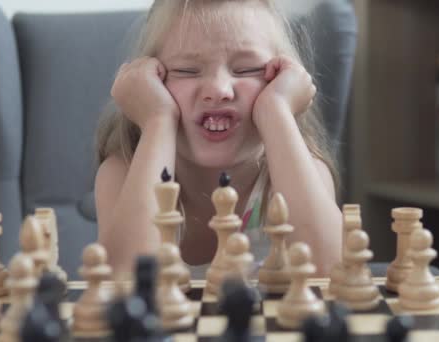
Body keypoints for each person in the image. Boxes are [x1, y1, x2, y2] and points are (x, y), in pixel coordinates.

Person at [94, 0, 342, 277]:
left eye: (248, 69)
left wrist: (277, 112)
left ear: (281, 79)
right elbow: (124, 281)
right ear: (149, 84)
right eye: (186, 70)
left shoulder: (307, 172)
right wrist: (157, 120)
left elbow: (329, 273)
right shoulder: (122, 174)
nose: (218, 89)